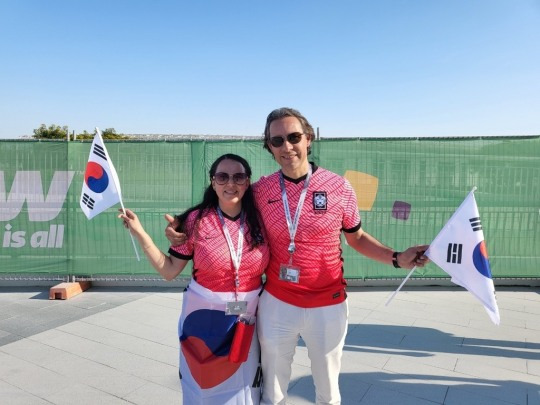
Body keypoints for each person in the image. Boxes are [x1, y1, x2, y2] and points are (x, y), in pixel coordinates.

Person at [166, 108, 429, 405]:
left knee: (328, 391)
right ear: (269, 147)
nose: (286, 146)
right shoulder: (260, 189)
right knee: (273, 390)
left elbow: (356, 237)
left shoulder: (339, 187)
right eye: (277, 141)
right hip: (278, 303)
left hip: (327, 304)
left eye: (293, 137)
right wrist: (182, 226)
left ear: (309, 139)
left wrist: (397, 258)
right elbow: (224, 201)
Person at [120, 153, 269, 405]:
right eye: (222, 177)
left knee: (248, 390)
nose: (230, 183)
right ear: (212, 182)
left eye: (238, 176)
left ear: (248, 182)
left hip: (251, 318)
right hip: (205, 319)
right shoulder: (196, 221)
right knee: (205, 387)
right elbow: (169, 271)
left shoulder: (262, 218)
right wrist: (140, 233)